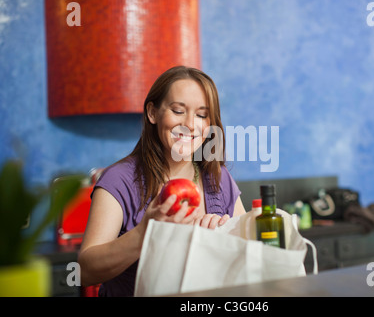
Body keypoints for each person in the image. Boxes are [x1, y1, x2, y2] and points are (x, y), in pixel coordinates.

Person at [78, 66, 247, 297]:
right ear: (152, 113)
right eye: (178, 111)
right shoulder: (119, 180)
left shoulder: (219, 178)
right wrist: (144, 233)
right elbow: (85, 271)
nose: (189, 124)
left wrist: (227, 237)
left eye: (201, 115)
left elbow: (249, 256)